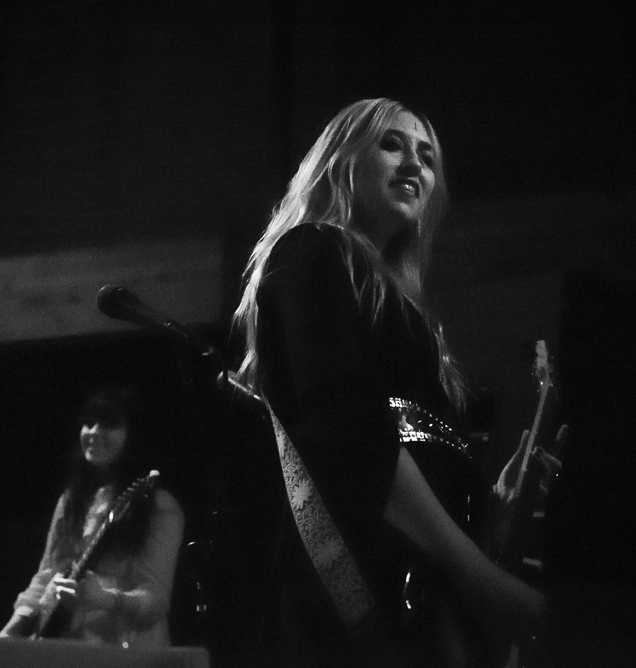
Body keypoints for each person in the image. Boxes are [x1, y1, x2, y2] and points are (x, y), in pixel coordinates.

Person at [233, 98, 563, 666]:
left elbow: (404, 443)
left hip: (413, 592)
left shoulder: (407, 308)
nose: (416, 166)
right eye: (393, 144)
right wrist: (480, 576)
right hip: (358, 592)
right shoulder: (315, 249)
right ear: (341, 162)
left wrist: (489, 504)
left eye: (428, 156)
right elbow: (350, 430)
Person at [0, 385, 185, 648]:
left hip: (127, 653)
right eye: (88, 423)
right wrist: (8, 635)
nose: (94, 432)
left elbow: (155, 600)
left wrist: (105, 598)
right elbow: (45, 577)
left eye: (108, 424)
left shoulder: (160, 507)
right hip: (65, 649)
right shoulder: (70, 500)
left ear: (134, 435)